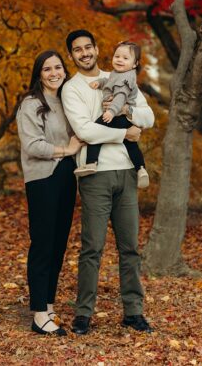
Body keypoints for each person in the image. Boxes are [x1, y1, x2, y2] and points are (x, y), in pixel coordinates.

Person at [60, 29, 155, 335]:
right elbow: (85, 130)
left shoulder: (122, 75)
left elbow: (149, 117)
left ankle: (133, 312)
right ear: (72, 55)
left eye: (89, 47)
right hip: (94, 175)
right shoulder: (72, 88)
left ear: (97, 48)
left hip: (127, 173)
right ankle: (83, 314)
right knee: (92, 248)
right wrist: (125, 133)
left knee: (130, 248)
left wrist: (127, 111)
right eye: (78, 50)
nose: (85, 53)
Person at [15, 50, 82, 336]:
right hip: (43, 178)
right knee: (43, 244)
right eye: (47, 69)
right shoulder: (31, 104)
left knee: (58, 245)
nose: (54, 73)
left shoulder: (67, 100)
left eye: (58, 67)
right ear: (38, 74)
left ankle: (49, 306)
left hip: (67, 176)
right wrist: (66, 150)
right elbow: (32, 145)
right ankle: (39, 314)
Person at [75, 40, 149, 189]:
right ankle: (141, 169)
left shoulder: (126, 78)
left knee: (96, 130)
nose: (120, 60)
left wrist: (111, 111)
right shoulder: (119, 74)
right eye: (117, 56)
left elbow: (120, 96)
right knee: (131, 144)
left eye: (125, 58)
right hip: (124, 119)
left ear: (135, 64)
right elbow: (110, 82)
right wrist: (101, 82)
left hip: (119, 115)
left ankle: (91, 163)